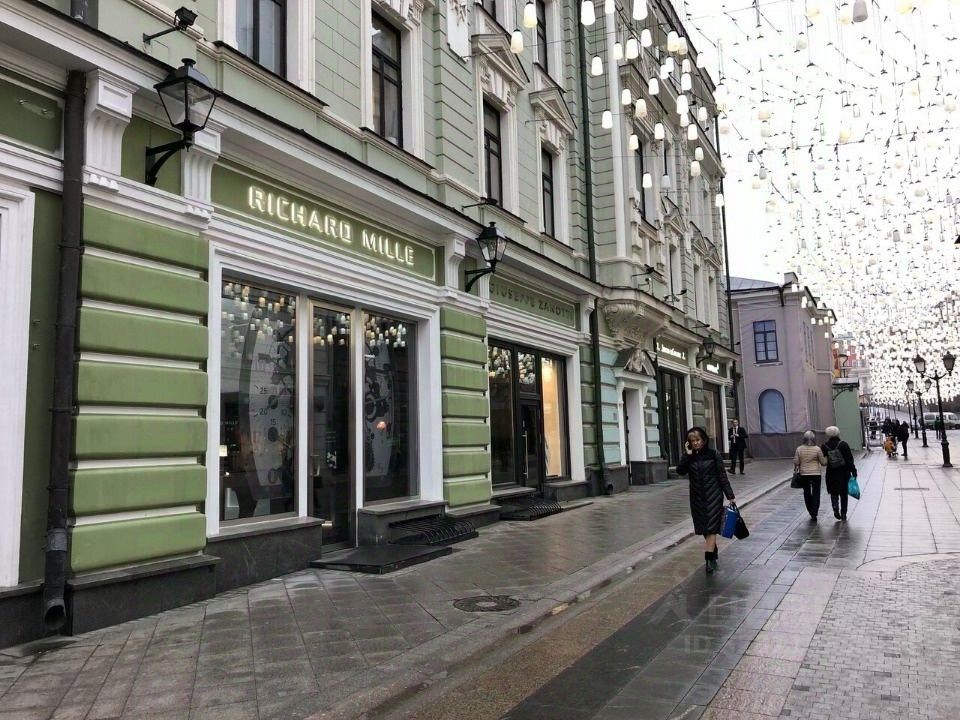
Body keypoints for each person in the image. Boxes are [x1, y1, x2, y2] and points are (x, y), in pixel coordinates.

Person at [677, 427, 736, 575]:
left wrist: (730, 495)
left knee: (711, 527)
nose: (695, 443)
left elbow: (722, 476)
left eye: (697, 440)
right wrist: (687, 455)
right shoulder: (689, 456)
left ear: (703, 440)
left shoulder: (713, 454)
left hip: (713, 495)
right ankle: (713, 550)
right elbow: (680, 471)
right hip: (697, 497)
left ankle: (709, 561)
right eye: (692, 441)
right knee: (704, 527)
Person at [793, 431, 827, 522]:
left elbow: (796, 462)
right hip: (816, 474)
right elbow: (823, 462)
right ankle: (815, 512)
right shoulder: (817, 449)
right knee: (816, 493)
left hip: (804, 474)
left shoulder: (799, 449)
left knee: (807, 492)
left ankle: (810, 511)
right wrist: (827, 458)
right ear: (814, 439)